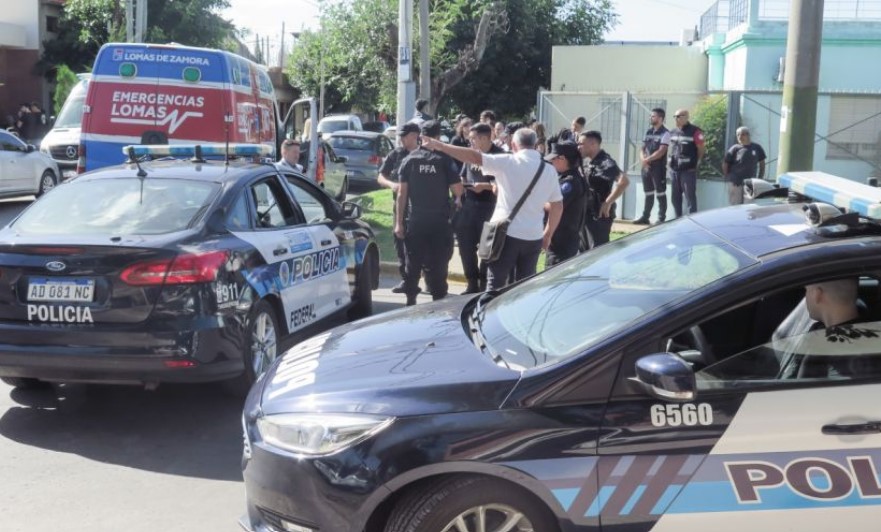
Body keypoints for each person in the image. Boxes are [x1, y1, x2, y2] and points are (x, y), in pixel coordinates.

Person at [423, 128, 563, 291]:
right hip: (533, 236)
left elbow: (474, 156)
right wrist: (548, 234)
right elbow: (558, 205)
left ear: (513, 144)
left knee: (495, 283)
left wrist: (440, 146)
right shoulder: (549, 170)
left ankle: (490, 315)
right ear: (534, 144)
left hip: (506, 234)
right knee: (525, 287)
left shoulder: (508, 162)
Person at [394, 120, 463, 305]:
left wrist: (399, 222)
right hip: (439, 222)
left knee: (413, 262)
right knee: (439, 264)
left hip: (416, 220)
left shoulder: (409, 160)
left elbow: (401, 194)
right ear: (439, 137)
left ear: (420, 137)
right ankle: (438, 299)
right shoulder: (444, 160)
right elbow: (458, 190)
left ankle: (410, 300)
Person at [455, 123, 504, 294]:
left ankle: (484, 284)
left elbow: (506, 183)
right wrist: (460, 190)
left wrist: (486, 186)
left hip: (490, 207)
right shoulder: (472, 154)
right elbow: (462, 174)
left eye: (473, 138)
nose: (471, 142)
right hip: (469, 206)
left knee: (486, 249)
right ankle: (471, 282)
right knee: (465, 246)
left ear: (484, 138)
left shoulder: (500, 156)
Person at [378, 122, 421, 294]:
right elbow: (381, 176)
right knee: (401, 244)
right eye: (401, 136)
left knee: (421, 246)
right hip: (400, 208)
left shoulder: (424, 155)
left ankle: (426, 279)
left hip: (421, 207)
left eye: (405, 136)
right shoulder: (396, 154)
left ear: (414, 136)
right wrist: (391, 185)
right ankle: (407, 281)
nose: (402, 140)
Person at [578, 130, 629, 249]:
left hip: (598, 214)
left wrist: (608, 202)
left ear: (593, 144)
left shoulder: (605, 162)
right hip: (587, 212)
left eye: (581, 143)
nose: (579, 146)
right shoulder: (589, 161)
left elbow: (624, 181)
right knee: (583, 252)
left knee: (596, 251)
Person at [545, 141, 586, 265]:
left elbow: (554, 206)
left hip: (562, 242)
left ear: (562, 158)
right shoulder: (568, 178)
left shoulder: (570, 182)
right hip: (562, 239)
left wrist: (535, 201)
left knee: (554, 277)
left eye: (554, 159)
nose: (551, 162)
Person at [634, 108, 670, 224]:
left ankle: (661, 218)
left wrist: (647, 160)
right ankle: (645, 217)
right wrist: (643, 160)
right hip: (646, 167)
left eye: (653, 116)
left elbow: (661, 151)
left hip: (657, 168)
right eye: (651, 116)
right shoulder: (649, 132)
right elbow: (642, 148)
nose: (651, 118)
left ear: (660, 118)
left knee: (660, 193)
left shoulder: (665, 133)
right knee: (648, 192)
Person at [668, 109, 705, 217]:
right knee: (675, 197)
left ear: (686, 117)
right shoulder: (673, 132)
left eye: (678, 116)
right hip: (674, 170)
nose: (676, 118)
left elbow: (701, 149)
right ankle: (677, 220)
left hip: (688, 170)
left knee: (690, 197)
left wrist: (696, 164)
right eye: (675, 116)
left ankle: (692, 221)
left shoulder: (696, 131)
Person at [722, 126, 767, 205]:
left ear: (748, 135)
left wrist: (760, 178)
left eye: (742, 134)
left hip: (750, 183)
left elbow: (762, 164)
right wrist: (728, 177)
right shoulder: (734, 148)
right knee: (735, 207)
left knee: (748, 207)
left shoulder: (757, 147)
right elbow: (725, 163)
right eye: (738, 135)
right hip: (735, 182)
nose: (739, 137)